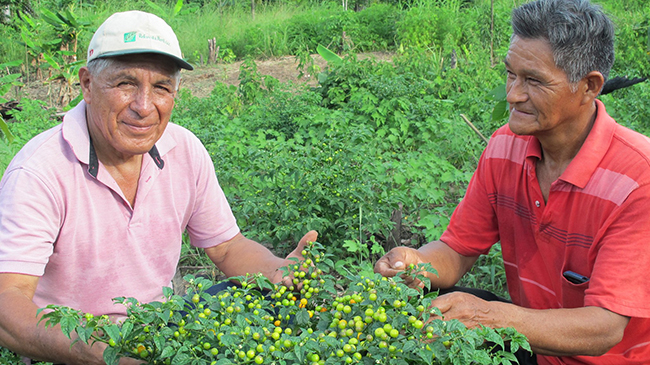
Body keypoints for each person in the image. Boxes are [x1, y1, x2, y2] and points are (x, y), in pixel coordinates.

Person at [0, 10, 317, 365]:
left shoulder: (183, 150)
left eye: (162, 87)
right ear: (87, 85)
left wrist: (278, 271)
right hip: (71, 348)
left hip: (158, 330)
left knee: (273, 303)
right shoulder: (40, 172)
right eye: (125, 84)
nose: (144, 106)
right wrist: (97, 354)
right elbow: (7, 301)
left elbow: (227, 248)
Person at [374, 0, 650, 364]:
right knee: (426, 310)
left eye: (533, 81)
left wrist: (488, 317)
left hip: (607, 358)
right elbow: (458, 249)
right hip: (536, 346)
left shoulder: (637, 179)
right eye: (511, 74)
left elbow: (605, 327)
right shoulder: (505, 146)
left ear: (588, 86)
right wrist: (417, 262)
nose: (512, 94)